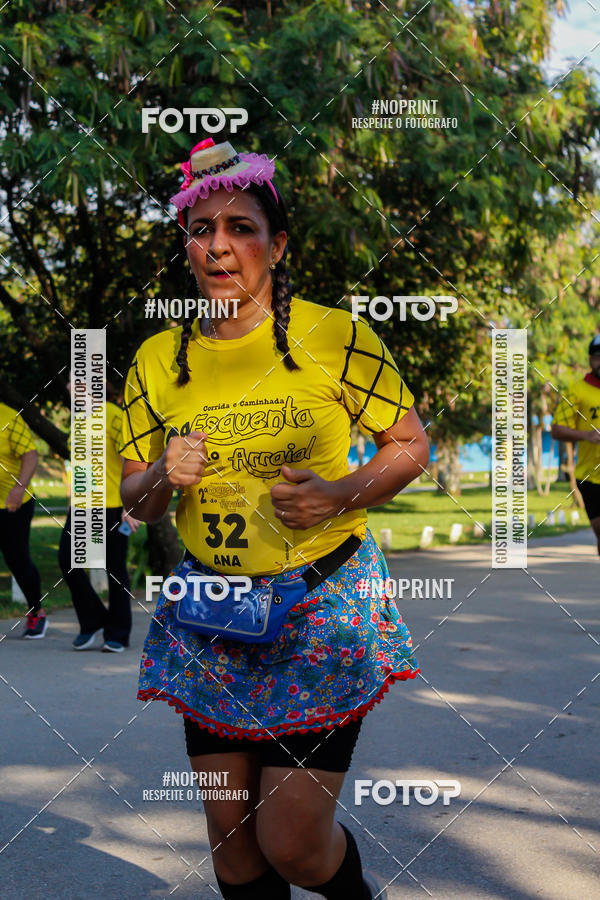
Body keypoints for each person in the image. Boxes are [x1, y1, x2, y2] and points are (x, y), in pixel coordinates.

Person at [120, 137, 429, 900]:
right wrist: (160, 474)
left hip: (319, 604)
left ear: (277, 244)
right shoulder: (156, 358)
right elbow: (135, 499)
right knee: (233, 848)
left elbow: (409, 446)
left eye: (242, 228)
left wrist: (340, 492)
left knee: (291, 845)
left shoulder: (335, 336)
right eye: (201, 229)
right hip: (211, 610)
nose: (219, 246)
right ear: (186, 246)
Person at [58, 380, 140, 651]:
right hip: (82, 506)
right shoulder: (78, 420)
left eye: (77, 381)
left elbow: (132, 459)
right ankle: (93, 620)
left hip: (113, 504)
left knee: (114, 569)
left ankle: (118, 633)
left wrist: (131, 505)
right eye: (70, 382)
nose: (70, 386)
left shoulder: (113, 415)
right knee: (67, 561)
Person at [0, 401, 46, 638]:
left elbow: (30, 455)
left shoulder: (8, 416)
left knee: (17, 559)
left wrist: (19, 487)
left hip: (13, 503)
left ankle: (37, 612)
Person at [551, 333, 600, 556]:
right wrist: (586, 435)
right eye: (597, 357)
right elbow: (556, 429)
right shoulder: (576, 390)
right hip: (590, 477)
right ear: (590, 360)